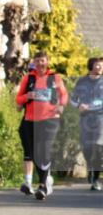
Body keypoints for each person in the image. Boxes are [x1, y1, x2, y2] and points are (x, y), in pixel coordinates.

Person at [15, 51, 68, 199]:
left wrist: (62, 105)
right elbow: (18, 99)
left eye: (43, 61)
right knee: (34, 152)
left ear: (47, 62)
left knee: (44, 151)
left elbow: (64, 94)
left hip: (50, 119)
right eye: (37, 61)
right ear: (34, 63)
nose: (40, 64)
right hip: (30, 120)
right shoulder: (28, 78)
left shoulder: (55, 78)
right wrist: (27, 96)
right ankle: (45, 182)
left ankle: (43, 185)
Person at [70, 57, 103, 191]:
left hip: (101, 118)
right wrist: (79, 106)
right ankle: (91, 168)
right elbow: (73, 99)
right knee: (87, 148)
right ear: (91, 66)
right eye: (97, 65)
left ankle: (96, 179)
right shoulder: (82, 81)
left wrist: (92, 107)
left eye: (101, 66)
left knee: (99, 148)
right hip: (85, 119)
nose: (100, 68)